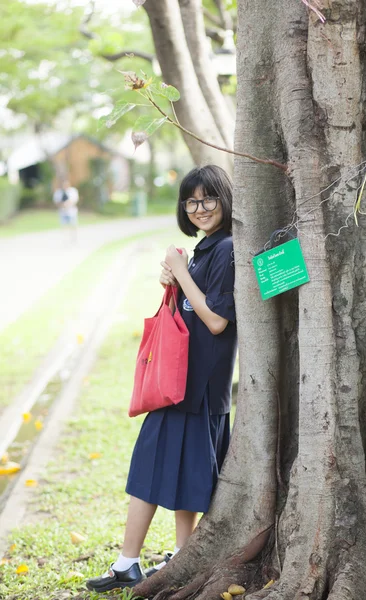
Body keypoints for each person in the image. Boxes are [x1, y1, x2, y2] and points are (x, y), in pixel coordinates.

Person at [86, 165, 237, 594]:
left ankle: (129, 563)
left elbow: (217, 321)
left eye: (208, 199)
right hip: (186, 382)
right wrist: (175, 276)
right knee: (184, 473)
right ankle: (176, 556)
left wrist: (181, 272)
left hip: (198, 385)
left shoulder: (226, 250)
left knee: (150, 468)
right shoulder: (208, 248)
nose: (200, 208)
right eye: (191, 201)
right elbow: (193, 307)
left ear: (225, 199)